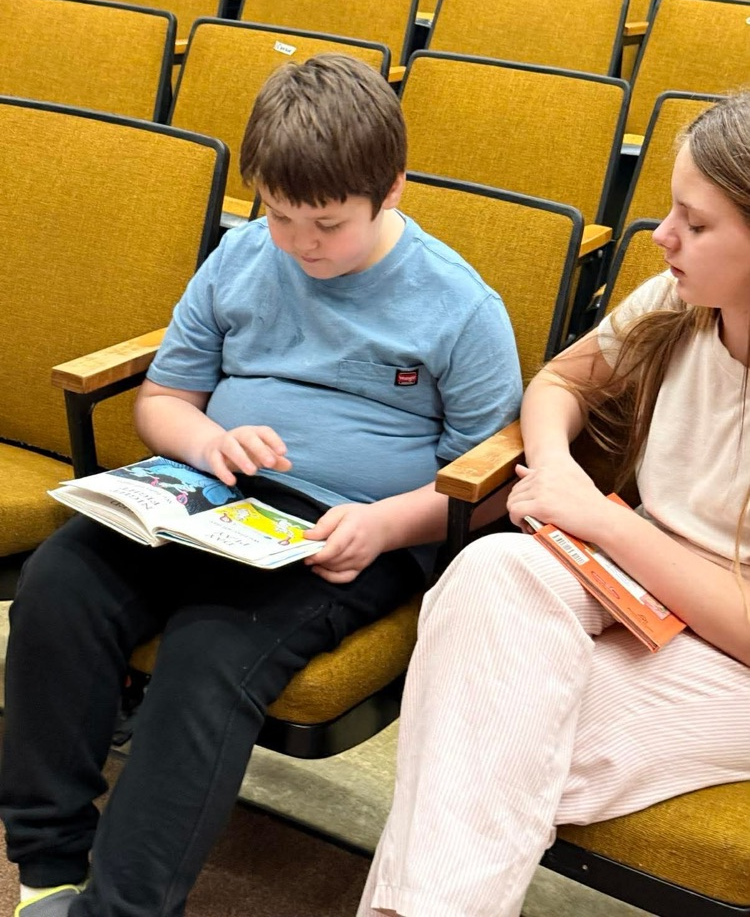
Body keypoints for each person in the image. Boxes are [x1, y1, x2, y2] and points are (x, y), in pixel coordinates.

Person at [0, 54, 522, 917]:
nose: (302, 245)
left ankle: (119, 910)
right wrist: (207, 437)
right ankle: (52, 863)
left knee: (211, 652)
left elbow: (487, 480)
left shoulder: (460, 308)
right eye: (280, 216)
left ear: (391, 190)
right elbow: (164, 400)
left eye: (327, 223)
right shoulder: (244, 257)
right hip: (211, 496)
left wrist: (388, 526)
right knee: (59, 581)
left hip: (348, 537)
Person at [358, 90, 750, 917]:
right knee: (490, 573)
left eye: (696, 222)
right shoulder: (683, 301)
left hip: (731, 655)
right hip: (635, 579)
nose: (662, 238)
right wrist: (558, 472)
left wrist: (602, 518)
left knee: (476, 739)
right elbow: (560, 381)